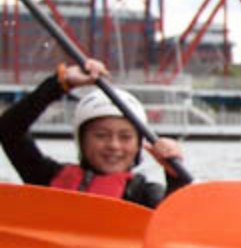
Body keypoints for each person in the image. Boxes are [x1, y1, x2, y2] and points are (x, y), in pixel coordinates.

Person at [0, 58, 190, 207]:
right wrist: (60, 83)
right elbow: (9, 128)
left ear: (138, 145)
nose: (113, 145)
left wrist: (175, 177)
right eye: (101, 135)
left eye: (125, 137)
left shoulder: (145, 194)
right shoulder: (48, 178)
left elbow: (173, 221)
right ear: (82, 140)